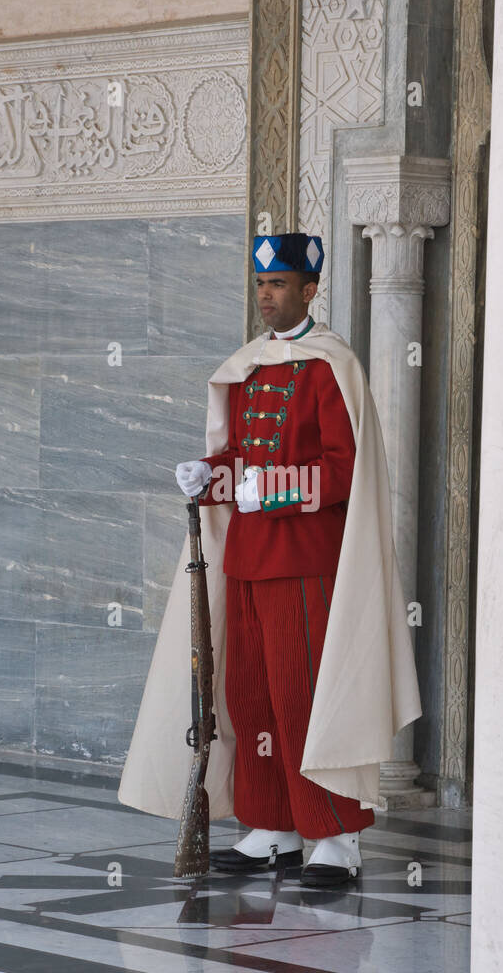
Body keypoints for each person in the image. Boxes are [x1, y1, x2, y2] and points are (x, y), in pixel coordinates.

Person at [117, 233, 421, 887]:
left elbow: (344, 471)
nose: (266, 295)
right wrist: (210, 473)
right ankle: (273, 826)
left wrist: (273, 488)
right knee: (249, 700)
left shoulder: (328, 366)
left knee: (305, 697)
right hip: (249, 558)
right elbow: (239, 465)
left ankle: (335, 837)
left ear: (309, 290)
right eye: (260, 285)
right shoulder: (248, 366)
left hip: (305, 562)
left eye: (278, 284)